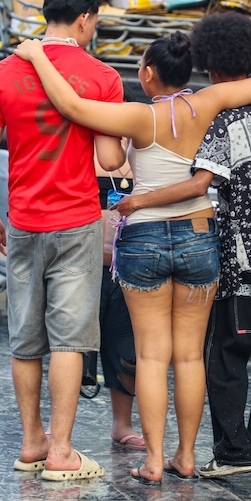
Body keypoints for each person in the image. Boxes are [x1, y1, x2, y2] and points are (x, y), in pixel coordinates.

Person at [13, 21, 251, 484]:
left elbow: (72, 106)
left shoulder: (139, 116)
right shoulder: (209, 102)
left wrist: (38, 57)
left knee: (153, 357)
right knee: (190, 357)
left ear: (150, 73)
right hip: (200, 232)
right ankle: (188, 457)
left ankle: (154, 462)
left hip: (144, 238)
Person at [111, 12, 251, 482]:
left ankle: (230, 451)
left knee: (228, 357)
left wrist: (138, 201)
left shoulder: (219, 116)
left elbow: (201, 183)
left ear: (212, 63)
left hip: (238, 255)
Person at [0, 0, 127, 482]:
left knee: (26, 337)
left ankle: (32, 441)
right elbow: (108, 157)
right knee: (69, 338)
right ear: (85, 18)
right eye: (97, 19)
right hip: (77, 220)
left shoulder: (3, 72)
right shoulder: (103, 76)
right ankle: (61, 451)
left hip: (23, 220)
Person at [96, 144, 145, 451]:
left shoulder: (142, 152)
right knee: (73, 348)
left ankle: (122, 424)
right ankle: (58, 428)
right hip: (86, 264)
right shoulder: (87, 149)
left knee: (128, 350)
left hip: (131, 264)